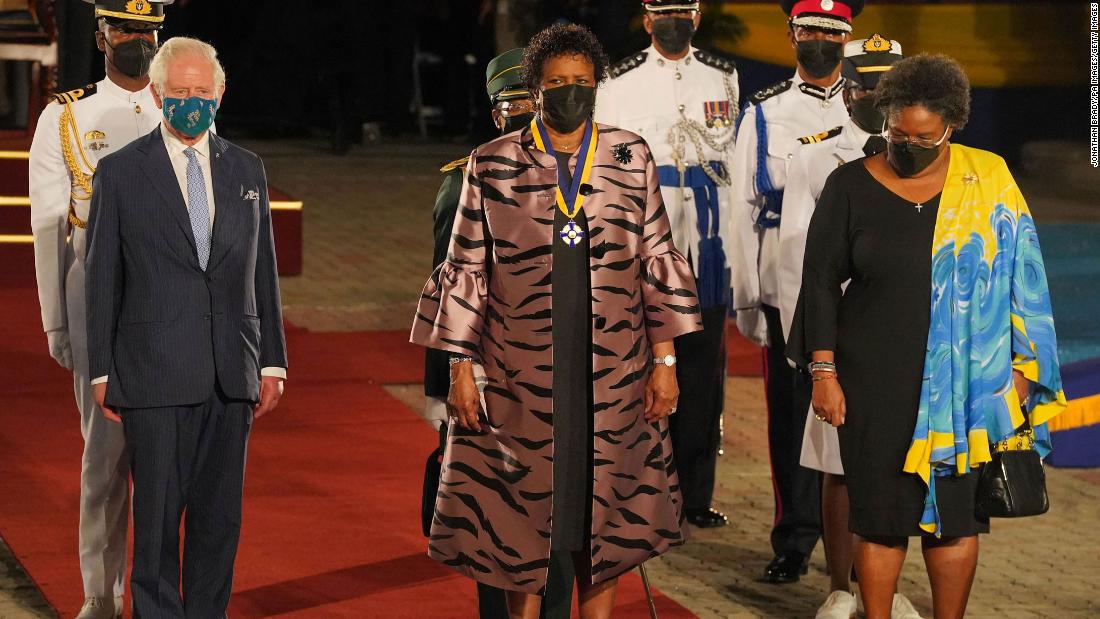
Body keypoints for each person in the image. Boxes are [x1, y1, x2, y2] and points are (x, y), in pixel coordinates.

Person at [410, 23, 702, 619]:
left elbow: (656, 261)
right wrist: (460, 369)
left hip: (615, 376)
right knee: (519, 523)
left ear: (598, 86)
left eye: (582, 83)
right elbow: (466, 268)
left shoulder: (629, 153)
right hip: (520, 378)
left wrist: (666, 363)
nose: (571, 92)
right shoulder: (490, 165)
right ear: (535, 91)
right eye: (557, 84)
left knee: (608, 525)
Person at [788, 53, 1067, 619]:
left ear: (952, 127)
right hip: (872, 380)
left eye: (923, 136)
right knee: (880, 519)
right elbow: (818, 283)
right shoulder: (849, 187)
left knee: (957, 519)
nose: (907, 144)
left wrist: (1020, 366)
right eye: (896, 132)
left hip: (968, 385)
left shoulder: (987, 178)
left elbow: (1024, 275)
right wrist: (823, 371)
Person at [84, 37, 288, 618]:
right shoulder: (121, 173)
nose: (191, 102)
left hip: (232, 372)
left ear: (220, 93)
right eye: (180, 93)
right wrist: (101, 368)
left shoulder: (248, 170)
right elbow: (103, 278)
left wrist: (270, 360)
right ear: (157, 94)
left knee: (219, 520)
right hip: (153, 371)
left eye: (202, 92)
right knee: (155, 526)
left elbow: (263, 271)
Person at [29, 2, 173, 617]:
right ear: (101, 35)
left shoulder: (184, 105)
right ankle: (101, 593)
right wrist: (56, 320)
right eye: (124, 29)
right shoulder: (65, 116)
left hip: (172, 298)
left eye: (146, 30)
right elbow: (47, 224)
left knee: (167, 456)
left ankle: (158, 590)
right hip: (97, 293)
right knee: (105, 453)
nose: (136, 40)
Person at [423, 48, 576, 619]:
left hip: (563, 378)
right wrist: (447, 388)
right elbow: (450, 290)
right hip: (495, 381)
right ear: (495, 115)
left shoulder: (584, 180)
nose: (522, 112)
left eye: (530, 100)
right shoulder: (465, 181)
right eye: (510, 103)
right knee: (497, 519)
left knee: (560, 517)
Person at [778, 35, 923, 619]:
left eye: (884, 86)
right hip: (837, 336)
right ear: (847, 86)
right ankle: (841, 585)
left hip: (895, 335)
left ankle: (883, 587)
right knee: (837, 466)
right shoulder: (817, 155)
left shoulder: (923, 156)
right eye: (863, 84)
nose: (871, 95)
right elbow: (798, 259)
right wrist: (814, 352)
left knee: (897, 465)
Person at [726, 0, 861, 584]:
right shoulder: (763, 113)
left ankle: (862, 543)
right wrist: (749, 294)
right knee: (790, 418)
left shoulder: (870, 110)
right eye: (809, 31)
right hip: (789, 286)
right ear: (790, 37)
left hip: (861, 292)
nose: (819, 41)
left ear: (847, 39)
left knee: (862, 416)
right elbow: (741, 211)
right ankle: (795, 538)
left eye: (831, 32)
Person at [594, 0, 738, 530]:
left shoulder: (724, 77)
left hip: (707, 243)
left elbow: (734, 167)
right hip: (642, 248)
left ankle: (694, 495)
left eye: (684, 11)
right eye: (664, 12)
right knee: (637, 368)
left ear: (697, 18)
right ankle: (632, 487)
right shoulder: (616, 82)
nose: (674, 21)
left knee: (702, 373)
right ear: (647, 18)